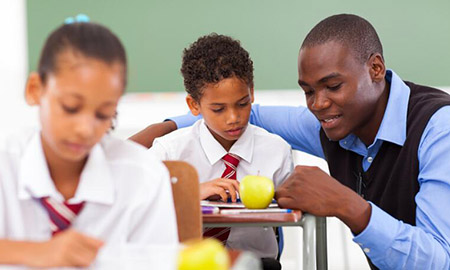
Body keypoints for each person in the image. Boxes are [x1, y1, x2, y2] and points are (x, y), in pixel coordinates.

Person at [130, 14, 450, 269]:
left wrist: (348, 205)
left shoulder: (439, 128)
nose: (318, 104)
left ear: (376, 69)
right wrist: (163, 127)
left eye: (333, 86)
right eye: (308, 91)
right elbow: (251, 117)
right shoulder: (330, 123)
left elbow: (439, 260)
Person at [0, 17, 178, 268]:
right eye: (71, 108)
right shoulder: (5, 164)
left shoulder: (144, 178)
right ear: (35, 89)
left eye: (104, 114)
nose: (85, 129)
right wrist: (38, 252)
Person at [148, 34, 293, 265]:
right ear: (194, 105)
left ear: (252, 92)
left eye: (243, 104)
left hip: (257, 264)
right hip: (187, 264)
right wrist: (191, 193)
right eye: (218, 109)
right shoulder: (169, 152)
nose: (234, 118)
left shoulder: (277, 151)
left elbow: (295, 214)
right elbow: (136, 207)